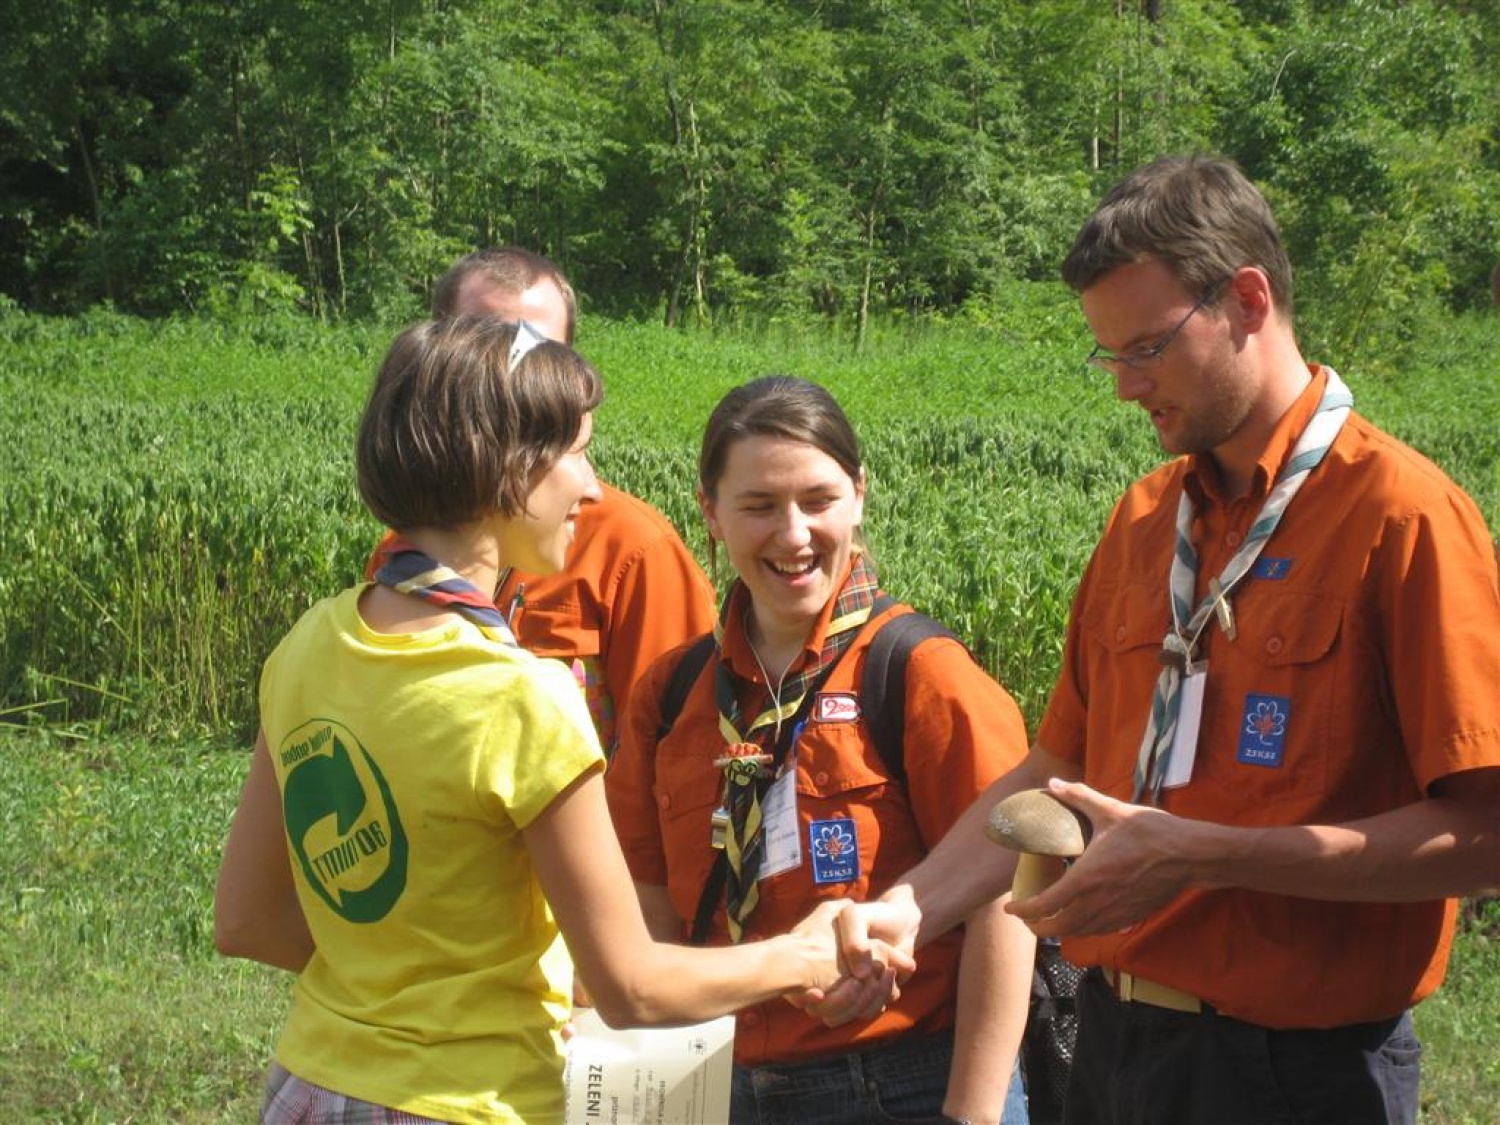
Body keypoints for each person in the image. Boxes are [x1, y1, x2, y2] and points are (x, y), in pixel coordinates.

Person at [818, 155, 1500, 1124]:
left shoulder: (1403, 517)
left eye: (1148, 349)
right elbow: (1054, 766)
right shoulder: (1144, 520)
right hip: (1110, 1048)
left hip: (1296, 1076)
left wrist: (1210, 856)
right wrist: (913, 908)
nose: (1125, 389)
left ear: (1249, 300)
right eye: (1110, 357)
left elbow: (1482, 838)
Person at [215, 320, 904, 1125]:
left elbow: (246, 917)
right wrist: (804, 953)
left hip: (311, 1084)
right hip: (471, 1102)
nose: (593, 488)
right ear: (511, 469)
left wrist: (393, 989)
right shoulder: (522, 696)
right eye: (578, 451)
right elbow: (631, 985)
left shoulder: (307, 645)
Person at [605, 375, 1036, 1125]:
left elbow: (1008, 896)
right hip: (715, 1082)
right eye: (759, 506)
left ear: (860, 494)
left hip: (896, 1083)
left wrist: (972, 1112)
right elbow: (648, 909)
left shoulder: (916, 672)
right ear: (709, 512)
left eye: (818, 500)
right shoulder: (671, 695)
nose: (794, 534)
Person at [369, 247, 717, 753]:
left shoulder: (634, 550)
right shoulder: (402, 557)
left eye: (537, 355)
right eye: (481, 346)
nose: (506, 382)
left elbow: (680, 749)